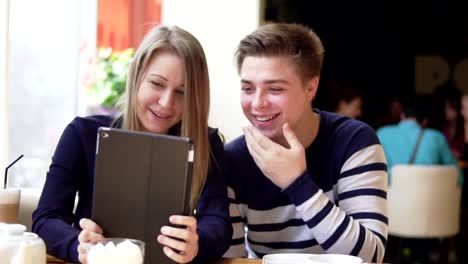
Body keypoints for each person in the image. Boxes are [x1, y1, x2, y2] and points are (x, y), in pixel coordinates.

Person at [32, 25, 232, 264]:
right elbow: (46, 218)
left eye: (182, 92)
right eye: (157, 84)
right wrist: (78, 245)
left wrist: (197, 242)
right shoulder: (81, 134)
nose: (166, 103)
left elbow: (218, 223)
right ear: (136, 77)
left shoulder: (206, 144)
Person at [223, 23, 388, 263]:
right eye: (248, 88)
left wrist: (297, 184)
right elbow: (232, 260)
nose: (257, 103)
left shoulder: (354, 142)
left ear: (311, 87)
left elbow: (370, 257)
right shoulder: (232, 159)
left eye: (275, 88)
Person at [377, 99, 461, 264]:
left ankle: (394, 255)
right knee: (422, 226)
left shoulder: (382, 133)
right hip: (429, 220)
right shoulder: (436, 137)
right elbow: (458, 176)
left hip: (392, 218)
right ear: (425, 121)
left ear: (402, 116)